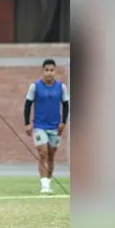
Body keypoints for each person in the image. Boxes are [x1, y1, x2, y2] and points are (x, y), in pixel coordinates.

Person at [24, 59, 70, 194]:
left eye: (52, 70)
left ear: (54, 71)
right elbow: (27, 105)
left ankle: (48, 183)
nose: (49, 73)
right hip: (39, 126)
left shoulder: (61, 87)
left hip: (55, 127)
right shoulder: (35, 86)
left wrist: (63, 123)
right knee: (43, 153)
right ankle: (44, 185)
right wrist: (27, 123)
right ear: (43, 71)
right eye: (47, 70)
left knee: (51, 155)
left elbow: (66, 105)